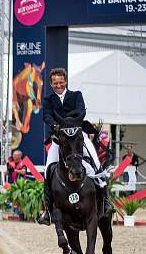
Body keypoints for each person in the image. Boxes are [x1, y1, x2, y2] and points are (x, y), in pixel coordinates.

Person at [37, 67, 112, 225]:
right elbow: (47, 116)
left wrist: (67, 122)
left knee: (97, 164)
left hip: (78, 136)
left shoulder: (76, 95)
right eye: (55, 83)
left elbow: (80, 112)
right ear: (51, 84)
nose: (59, 85)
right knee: (48, 169)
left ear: (65, 81)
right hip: (59, 139)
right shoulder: (48, 100)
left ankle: (105, 201)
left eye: (61, 82)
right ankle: (48, 211)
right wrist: (56, 126)